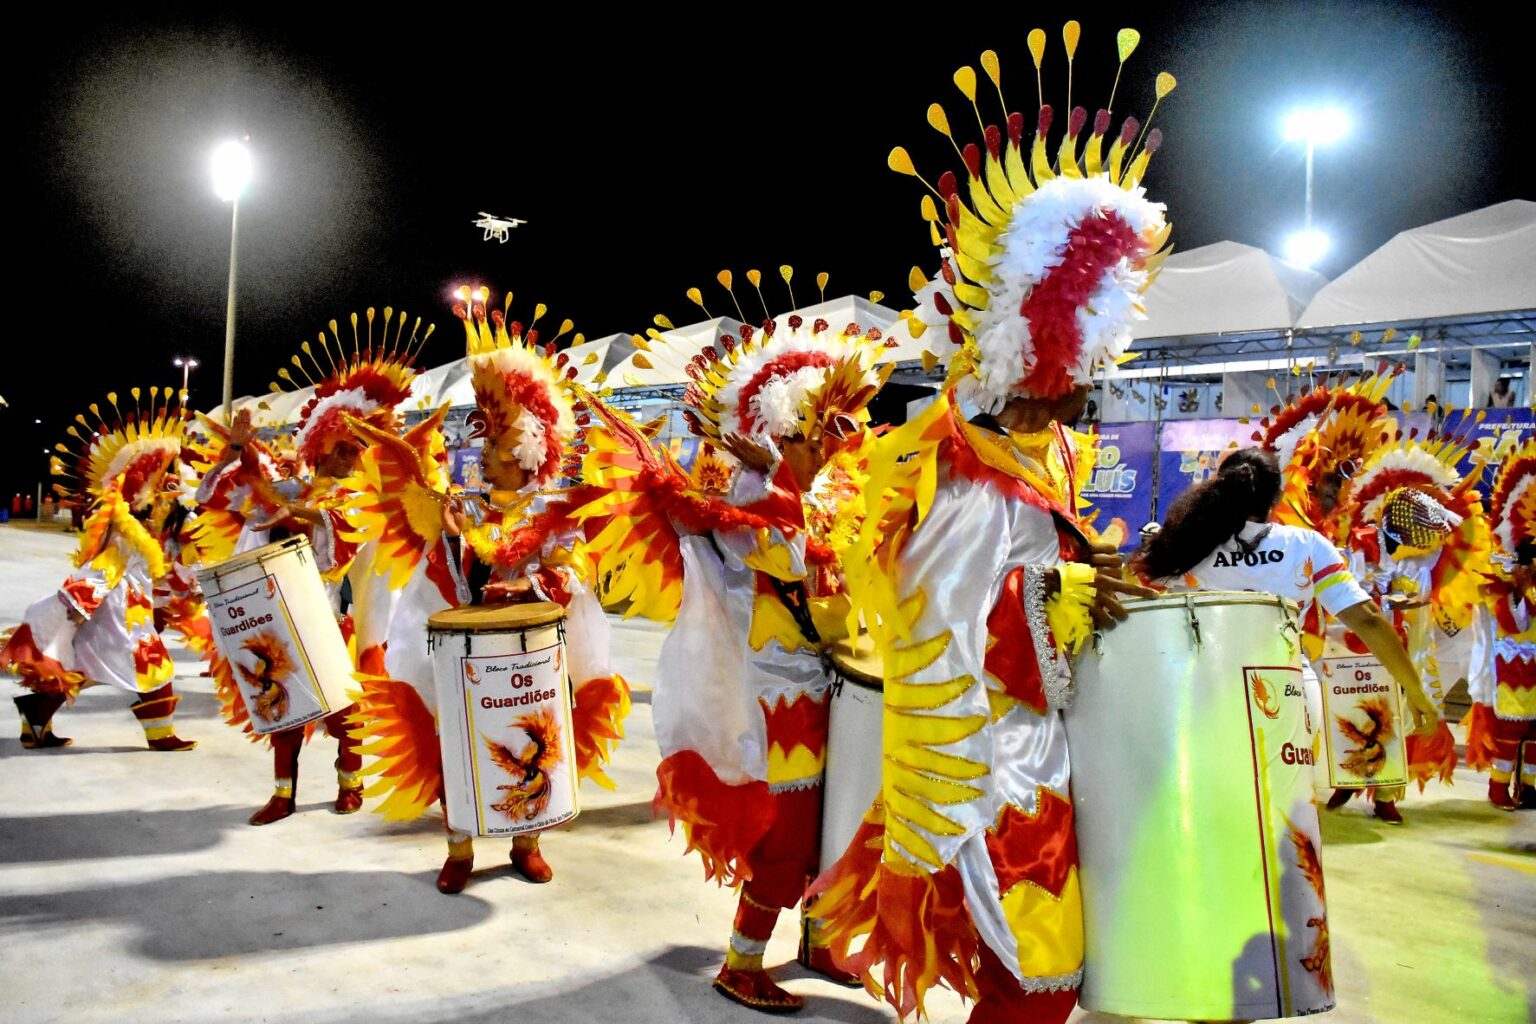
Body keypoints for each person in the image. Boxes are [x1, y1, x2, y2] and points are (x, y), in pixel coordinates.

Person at [810, 35, 1173, 1024]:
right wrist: (1089, 592)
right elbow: (963, 625)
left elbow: (1053, 568)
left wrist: (1102, 570)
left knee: (1040, 980)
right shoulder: (950, 465)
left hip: (1042, 747)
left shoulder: (1047, 452)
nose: (1078, 383)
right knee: (1037, 979)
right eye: (1067, 353)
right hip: (983, 759)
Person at [345, 292, 627, 896]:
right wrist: (452, 544)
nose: (485, 457)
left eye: (498, 448)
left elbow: (572, 575)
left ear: (526, 454)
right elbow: (443, 573)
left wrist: (530, 577)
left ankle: (528, 842)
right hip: (468, 653)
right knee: (459, 744)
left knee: (534, 740)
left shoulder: (557, 510)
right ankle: (460, 846)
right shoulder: (464, 505)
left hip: (529, 655)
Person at [195, 308, 431, 826]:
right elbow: (214, 497)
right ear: (320, 443)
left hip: (335, 617)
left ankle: (351, 783)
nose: (351, 457)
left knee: (347, 706)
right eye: (344, 447)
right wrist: (238, 451)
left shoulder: (355, 498)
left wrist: (292, 512)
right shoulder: (287, 483)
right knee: (283, 704)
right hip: (278, 615)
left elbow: (344, 531)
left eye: (358, 448)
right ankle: (283, 793)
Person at [1130, 449, 1440, 758]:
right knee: (1289, 804)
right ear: (1277, 497)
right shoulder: (1307, 545)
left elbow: (1133, 600)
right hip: (1290, 692)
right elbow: (1368, 619)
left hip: (1205, 695)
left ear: (1219, 487)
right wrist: (1415, 693)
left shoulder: (1185, 547)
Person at [2, 386, 196, 751]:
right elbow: (104, 567)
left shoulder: (141, 524)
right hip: (119, 613)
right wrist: (71, 605)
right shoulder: (125, 527)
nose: (169, 483)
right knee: (151, 667)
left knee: (92, 667)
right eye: (162, 474)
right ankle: (161, 736)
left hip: (129, 610)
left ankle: (36, 715)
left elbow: (151, 568)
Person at [1465, 437, 1536, 809]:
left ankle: (1531, 787)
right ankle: (1498, 787)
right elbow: (1511, 620)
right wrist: (1520, 587)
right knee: (1512, 730)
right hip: (1515, 667)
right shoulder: (1502, 576)